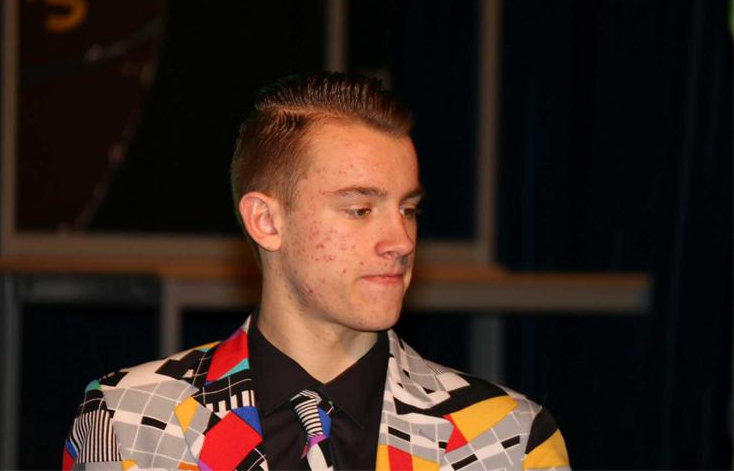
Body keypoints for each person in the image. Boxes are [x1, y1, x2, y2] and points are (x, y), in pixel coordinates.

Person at [63, 73, 570, 471]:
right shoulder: (130, 421)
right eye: (360, 209)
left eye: (409, 209)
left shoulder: (505, 440)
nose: (401, 241)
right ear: (266, 221)